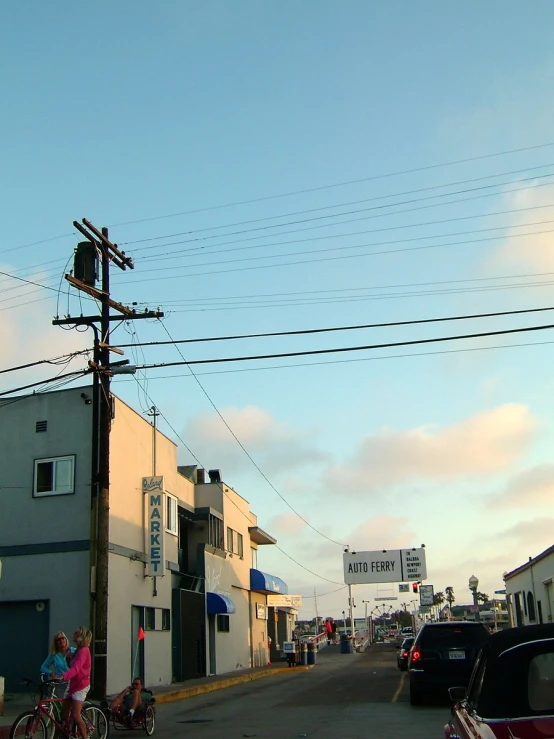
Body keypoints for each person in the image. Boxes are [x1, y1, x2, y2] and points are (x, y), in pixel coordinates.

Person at [55, 627, 92, 739]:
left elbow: (76, 669)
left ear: (81, 637)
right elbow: (72, 664)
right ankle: (67, 733)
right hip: (73, 684)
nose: (73, 634)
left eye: (76, 633)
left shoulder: (84, 651)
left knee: (76, 715)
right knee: (64, 713)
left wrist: (63, 676)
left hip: (81, 685)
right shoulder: (77, 650)